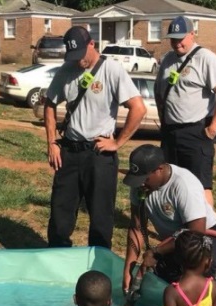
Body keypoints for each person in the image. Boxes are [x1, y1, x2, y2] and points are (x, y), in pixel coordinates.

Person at [45, 26, 146, 249]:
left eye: (81, 55)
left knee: (101, 215)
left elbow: (138, 108)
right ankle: (57, 258)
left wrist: (118, 142)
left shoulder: (112, 70)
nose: (77, 61)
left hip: (98, 154)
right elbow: (50, 103)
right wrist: (52, 142)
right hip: (69, 153)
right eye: (72, 56)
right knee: (60, 213)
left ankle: (99, 269)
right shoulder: (67, 69)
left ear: (92, 44)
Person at [122, 144, 216, 295]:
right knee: (159, 280)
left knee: (187, 281)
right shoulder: (141, 185)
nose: (141, 184)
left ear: (159, 169)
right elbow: (136, 227)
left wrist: (156, 252)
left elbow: (196, 232)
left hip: (206, 238)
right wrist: (128, 270)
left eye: (144, 178)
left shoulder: (183, 184)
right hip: (174, 242)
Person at [155, 16, 216, 207]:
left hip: (196, 132)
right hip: (170, 132)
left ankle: (205, 230)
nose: (177, 42)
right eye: (173, 38)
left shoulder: (206, 58)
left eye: (181, 38)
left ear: (192, 34)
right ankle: (179, 227)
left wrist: (213, 128)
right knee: (171, 181)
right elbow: (159, 91)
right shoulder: (167, 59)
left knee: (200, 185)